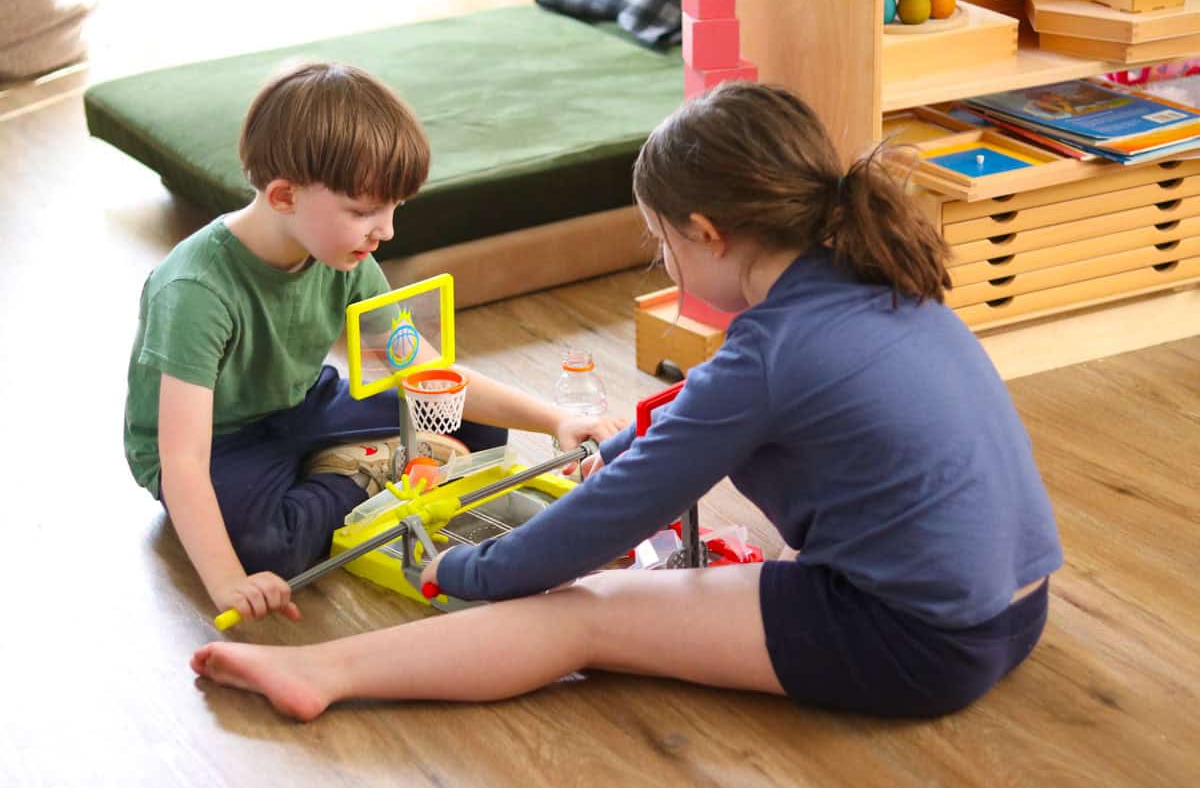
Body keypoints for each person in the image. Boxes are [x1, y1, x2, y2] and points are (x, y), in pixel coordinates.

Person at [190, 81, 1063, 722]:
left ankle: (327, 674)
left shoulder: (766, 355)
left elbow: (603, 521)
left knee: (583, 618)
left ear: (708, 233)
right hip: (1019, 611)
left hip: (921, 648)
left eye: (662, 244)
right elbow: (691, 434)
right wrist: (627, 448)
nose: (666, 264)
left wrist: (470, 570)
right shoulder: (880, 281)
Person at [125, 61, 624, 627]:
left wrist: (555, 419)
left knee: (477, 425)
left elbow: (422, 373)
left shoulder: (346, 254)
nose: (384, 230)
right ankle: (360, 471)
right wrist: (225, 581)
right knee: (271, 549)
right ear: (285, 196)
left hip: (302, 403)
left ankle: (356, 468)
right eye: (363, 212)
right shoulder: (197, 289)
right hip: (220, 441)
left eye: (392, 209)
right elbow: (183, 459)